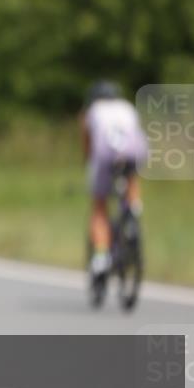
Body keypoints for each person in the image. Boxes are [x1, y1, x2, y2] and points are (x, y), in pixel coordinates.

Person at [81, 80, 148, 283]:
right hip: (134, 154)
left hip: (104, 157)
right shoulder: (127, 107)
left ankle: (101, 257)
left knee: (99, 207)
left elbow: (88, 147)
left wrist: (87, 164)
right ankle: (133, 209)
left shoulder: (91, 110)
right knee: (131, 177)